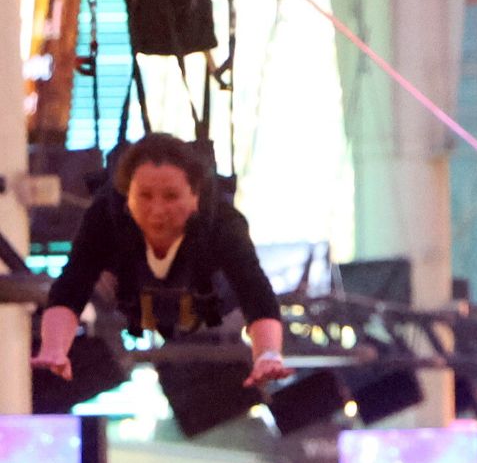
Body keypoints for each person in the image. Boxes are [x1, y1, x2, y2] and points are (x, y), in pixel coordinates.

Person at [30, 133, 292, 387]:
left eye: (171, 197)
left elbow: (255, 292)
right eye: (144, 196)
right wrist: (54, 347)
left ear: (195, 198)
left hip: (208, 300)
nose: (157, 211)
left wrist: (268, 354)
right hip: (133, 299)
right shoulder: (104, 216)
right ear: (127, 198)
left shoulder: (223, 223)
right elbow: (72, 285)